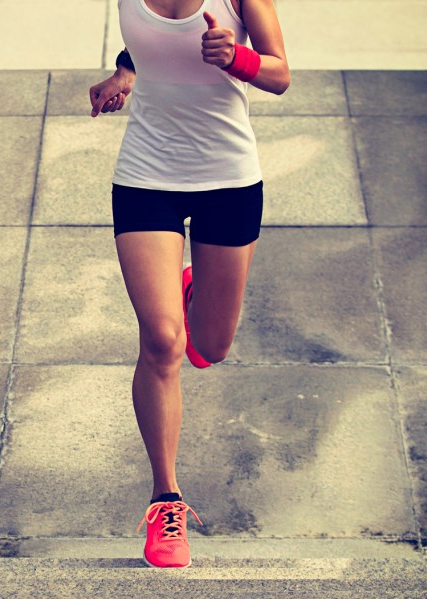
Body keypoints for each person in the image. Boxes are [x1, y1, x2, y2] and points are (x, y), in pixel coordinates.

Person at [89, 0, 289, 568]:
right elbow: (151, 42)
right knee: (161, 341)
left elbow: (281, 75)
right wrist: (126, 71)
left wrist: (239, 59)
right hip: (146, 175)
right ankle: (166, 500)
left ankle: (192, 295)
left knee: (211, 346)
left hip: (228, 178)